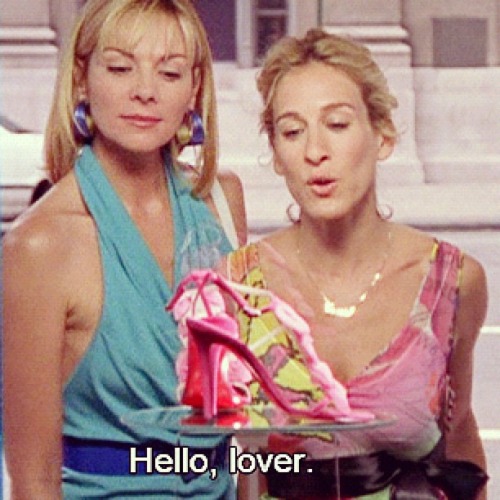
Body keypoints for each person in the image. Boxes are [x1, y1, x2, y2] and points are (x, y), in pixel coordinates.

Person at [217, 29, 488, 499]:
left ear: (382, 136)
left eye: (337, 124)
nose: (314, 152)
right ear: (276, 154)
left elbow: (460, 439)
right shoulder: (237, 287)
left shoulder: (452, 281)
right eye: (292, 131)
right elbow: (237, 464)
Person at [3, 0, 246, 498]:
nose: (145, 91)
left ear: (194, 87)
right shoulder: (40, 246)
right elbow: (32, 479)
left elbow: (245, 428)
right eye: (119, 68)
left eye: (169, 72)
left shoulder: (222, 202)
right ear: (81, 79)